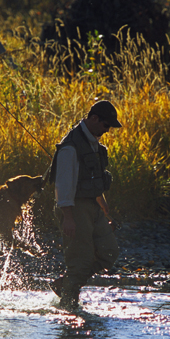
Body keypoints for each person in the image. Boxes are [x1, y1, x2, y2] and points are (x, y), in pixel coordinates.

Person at [48, 100, 122, 310]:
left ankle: (64, 284)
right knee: (80, 262)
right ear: (94, 119)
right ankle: (68, 310)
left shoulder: (94, 145)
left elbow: (94, 183)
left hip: (93, 208)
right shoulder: (70, 147)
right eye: (106, 125)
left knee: (109, 252)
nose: (107, 131)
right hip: (73, 209)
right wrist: (68, 218)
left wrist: (105, 211)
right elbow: (63, 185)